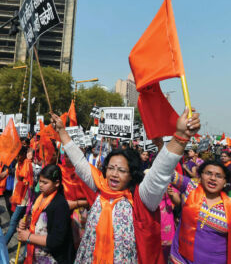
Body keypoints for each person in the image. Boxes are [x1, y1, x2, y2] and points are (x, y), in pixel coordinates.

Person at [50, 107, 200, 264]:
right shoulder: (100, 187)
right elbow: (79, 161)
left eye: (121, 170)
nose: (114, 174)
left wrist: (181, 137)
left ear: (131, 175)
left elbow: (160, 173)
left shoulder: (141, 199)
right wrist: (61, 131)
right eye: (111, 168)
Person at [170, 160, 231, 264]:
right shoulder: (190, 187)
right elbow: (166, 171)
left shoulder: (229, 205)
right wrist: (163, 147)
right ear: (200, 176)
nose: (213, 178)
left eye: (219, 176)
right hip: (180, 259)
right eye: (208, 173)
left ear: (225, 182)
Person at [17, 164, 75, 264]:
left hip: (51, 258)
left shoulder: (60, 205)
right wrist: (25, 223)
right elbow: (35, 218)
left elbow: (56, 240)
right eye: (40, 181)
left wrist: (29, 237)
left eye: (45, 182)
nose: (41, 185)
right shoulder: (40, 196)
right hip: (34, 254)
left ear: (57, 183)